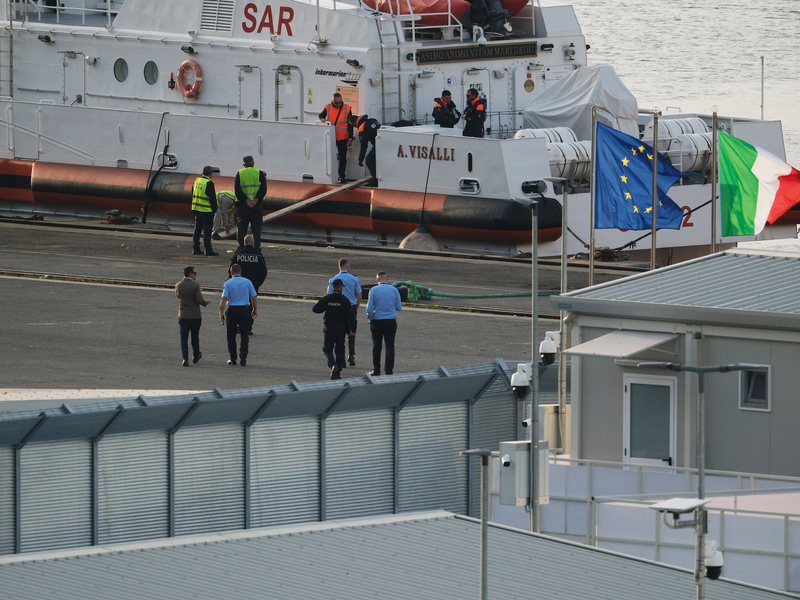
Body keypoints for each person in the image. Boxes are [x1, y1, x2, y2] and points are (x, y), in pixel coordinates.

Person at [313, 278, 356, 380]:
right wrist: (353, 329)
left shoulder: (327, 298)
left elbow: (315, 309)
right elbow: (351, 316)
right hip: (341, 328)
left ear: (332, 287)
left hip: (329, 327)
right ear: (341, 287)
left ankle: (332, 364)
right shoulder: (345, 300)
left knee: (327, 348)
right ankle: (338, 371)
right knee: (340, 349)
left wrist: (326, 306)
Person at [219, 263, 257, 366]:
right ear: (240, 272)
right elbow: (253, 297)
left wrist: (221, 312)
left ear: (231, 272)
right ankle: (243, 355)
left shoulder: (228, 283)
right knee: (244, 335)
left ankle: (233, 358)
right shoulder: (247, 282)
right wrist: (254, 309)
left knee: (231, 335)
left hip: (232, 310)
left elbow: (224, 299)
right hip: (244, 310)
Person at [327, 258, 362, 367]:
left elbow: (329, 294)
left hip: (338, 308)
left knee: (340, 331)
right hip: (351, 307)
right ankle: (351, 354)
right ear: (347, 266)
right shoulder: (354, 278)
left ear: (339, 267)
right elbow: (359, 295)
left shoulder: (333, 278)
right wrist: (356, 307)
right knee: (351, 332)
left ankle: (340, 358)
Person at [366, 271, 402, 376]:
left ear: (377, 280)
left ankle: (376, 370)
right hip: (390, 321)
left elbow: (369, 308)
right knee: (390, 346)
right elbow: (399, 307)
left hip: (377, 321)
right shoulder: (394, 290)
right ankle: (389, 370)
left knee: (376, 346)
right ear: (387, 279)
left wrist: (370, 319)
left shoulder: (373, 290)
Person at [175, 266, 211, 367]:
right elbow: (199, 300)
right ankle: (196, 354)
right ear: (190, 273)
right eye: (195, 273)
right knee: (195, 337)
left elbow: (178, 296)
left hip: (183, 314)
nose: (195, 275)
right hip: (195, 315)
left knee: (183, 338)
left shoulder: (178, 285)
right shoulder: (195, 286)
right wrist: (206, 302)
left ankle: (185, 359)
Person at [319, 92, 354, 183]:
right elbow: (321, 115)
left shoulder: (347, 108)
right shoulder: (328, 107)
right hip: (331, 136)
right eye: (336, 103)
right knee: (329, 156)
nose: (338, 104)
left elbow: (350, 125)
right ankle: (328, 175)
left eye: (340, 102)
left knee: (342, 157)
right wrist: (322, 119)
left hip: (343, 137)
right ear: (332, 101)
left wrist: (350, 138)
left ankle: (342, 177)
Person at [234, 155, 267, 249]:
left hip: (243, 205)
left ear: (243, 164)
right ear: (253, 163)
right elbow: (263, 189)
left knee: (242, 228)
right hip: (256, 206)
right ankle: (256, 248)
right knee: (256, 228)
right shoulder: (259, 173)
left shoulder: (240, 173)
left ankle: (241, 247)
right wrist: (255, 200)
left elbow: (237, 190)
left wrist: (247, 201)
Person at [191, 166, 219, 256]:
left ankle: (196, 248)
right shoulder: (209, 183)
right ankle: (208, 249)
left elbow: (193, 193)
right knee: (207, 231)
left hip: (196, 209)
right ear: (210, 174)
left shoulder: (196, 181)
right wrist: (214, 210)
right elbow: (213, 199)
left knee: (197, 229)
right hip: (206, 211)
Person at [357, 114, 380, 187]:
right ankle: (377, 178)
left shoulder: (362, 127)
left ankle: (375, 181)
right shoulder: (370, 121)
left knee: (369, 160)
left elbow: (364, 145)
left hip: (379, 143)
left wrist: (360, 159)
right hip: (381, 141)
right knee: (374, 159)